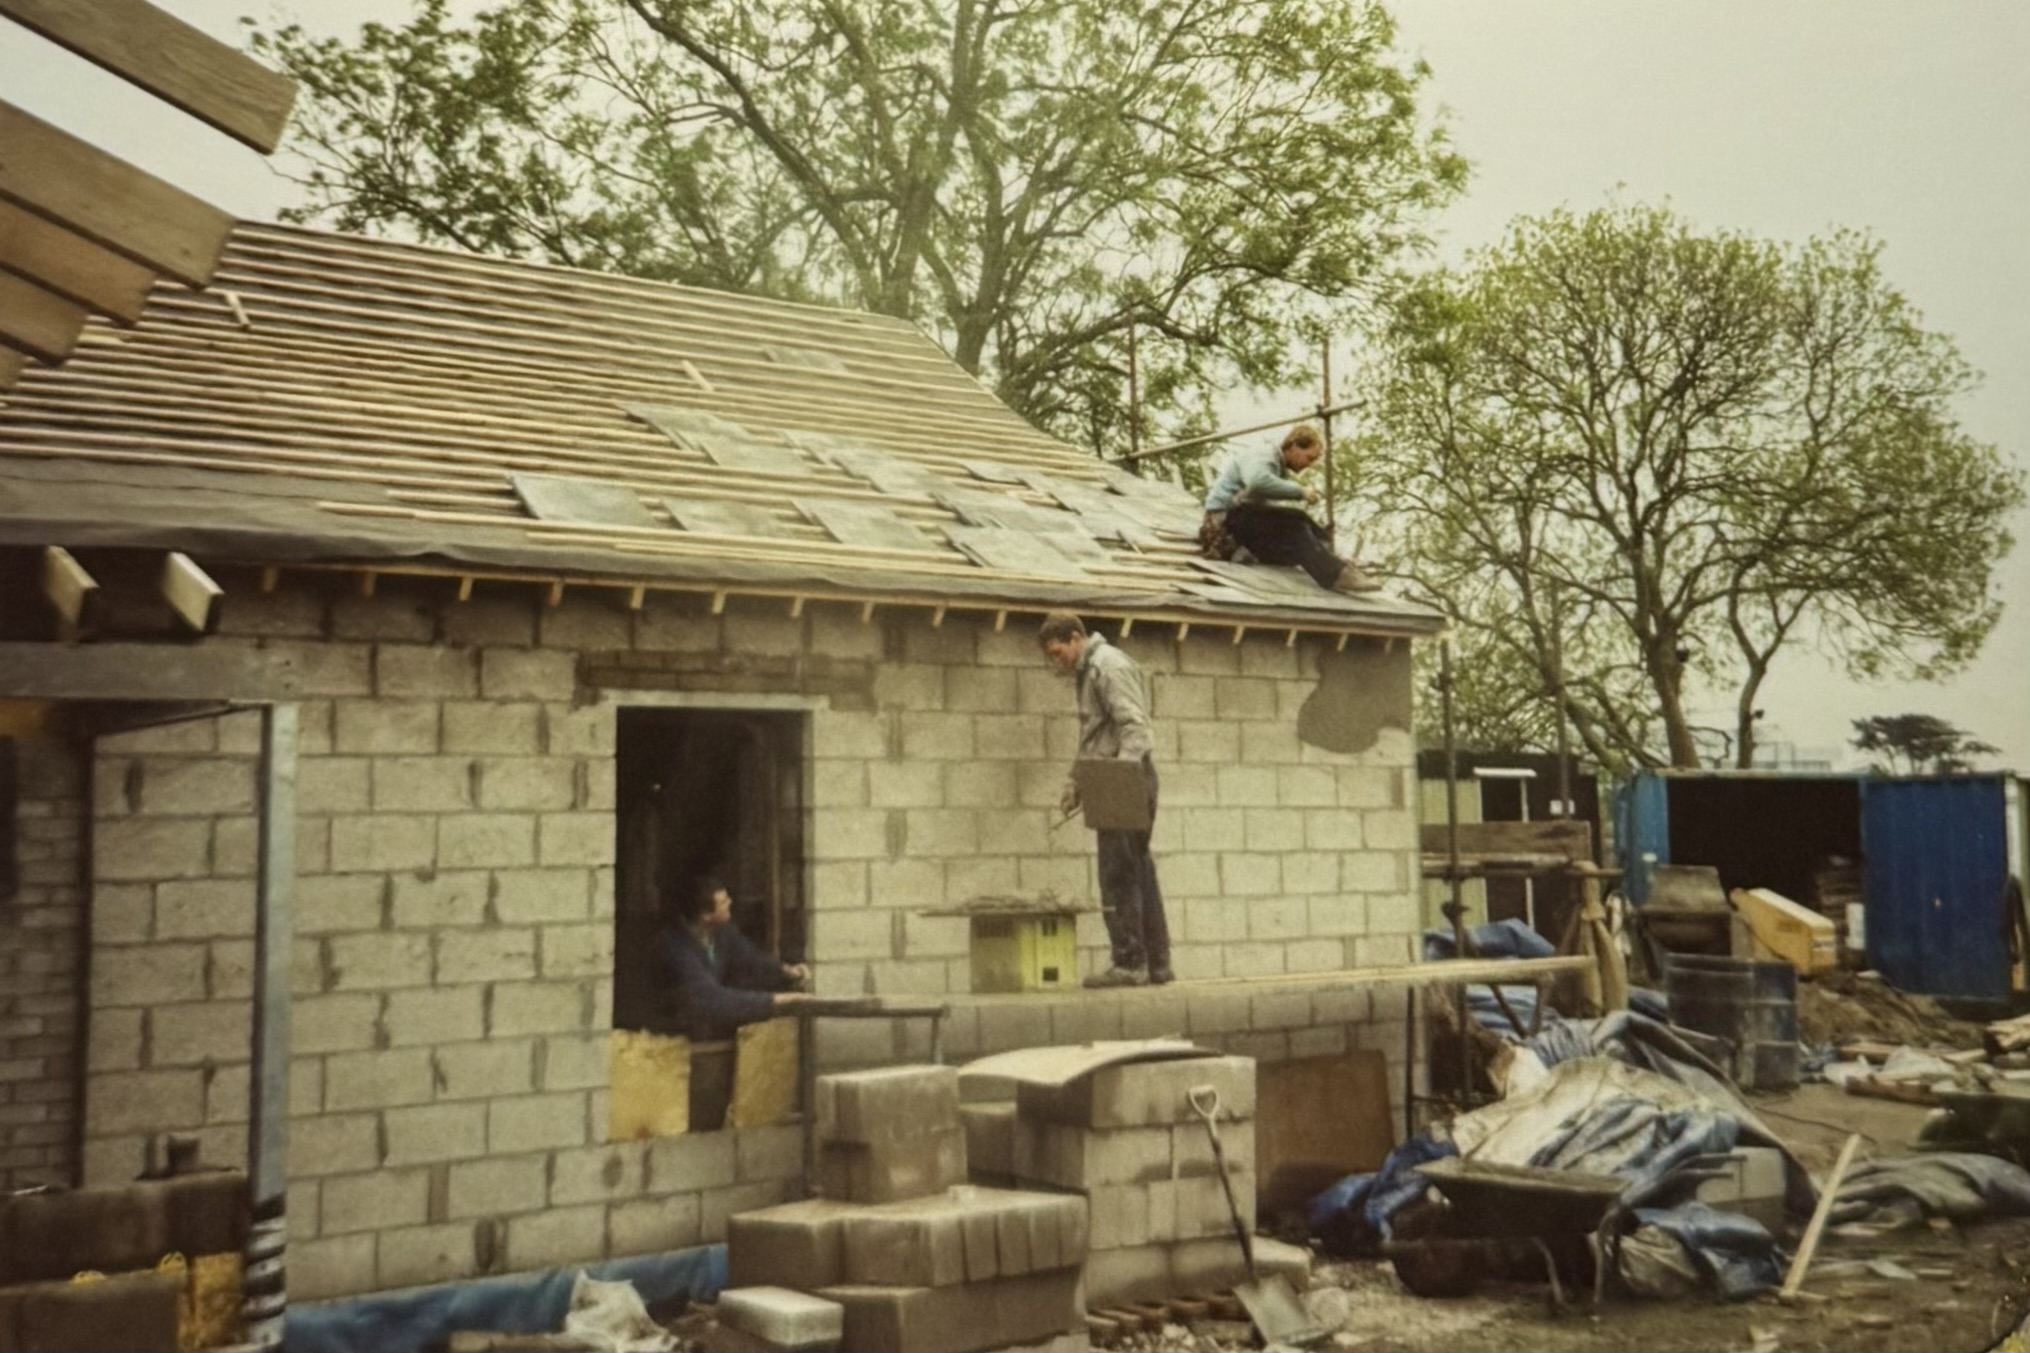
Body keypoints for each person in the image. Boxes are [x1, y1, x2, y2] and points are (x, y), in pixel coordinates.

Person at [1039, 611, 1172, 988]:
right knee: (1137, 869)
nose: (1056, 661)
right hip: (1118, 774)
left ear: (1076, 638)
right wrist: (1076, 782)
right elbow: (1095, 734)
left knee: (1118, 872)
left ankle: (1130, 963)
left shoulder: (1106, 666)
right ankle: (1157, 965)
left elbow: (1135, 728)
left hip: (1126, 773)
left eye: (1057, 651)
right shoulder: (1089, 671)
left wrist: (1116, 778)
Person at [1200, 422, 1381, 592]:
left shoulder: (1277, 468)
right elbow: (1256, 482)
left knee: (1297, 537)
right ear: (1294, 446)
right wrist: (1300, 491)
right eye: (1309, 457)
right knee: (1295, 521)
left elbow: (1264, 508)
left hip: (1238, 522)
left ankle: (1333, 557)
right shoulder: (1264, 456)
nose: (1308, 465)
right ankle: (1334, 575)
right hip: (1222, 524)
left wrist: (1317, 533)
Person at [654, 875, 811, 1039]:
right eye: (723, 902)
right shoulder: (673, 947)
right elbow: (711, 999)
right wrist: (779, 1000)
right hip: (670, 1043)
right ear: (705, 915)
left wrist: (786, 970)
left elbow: (751, 959)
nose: (730, 902)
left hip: (707, 1034)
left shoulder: (723, 933)